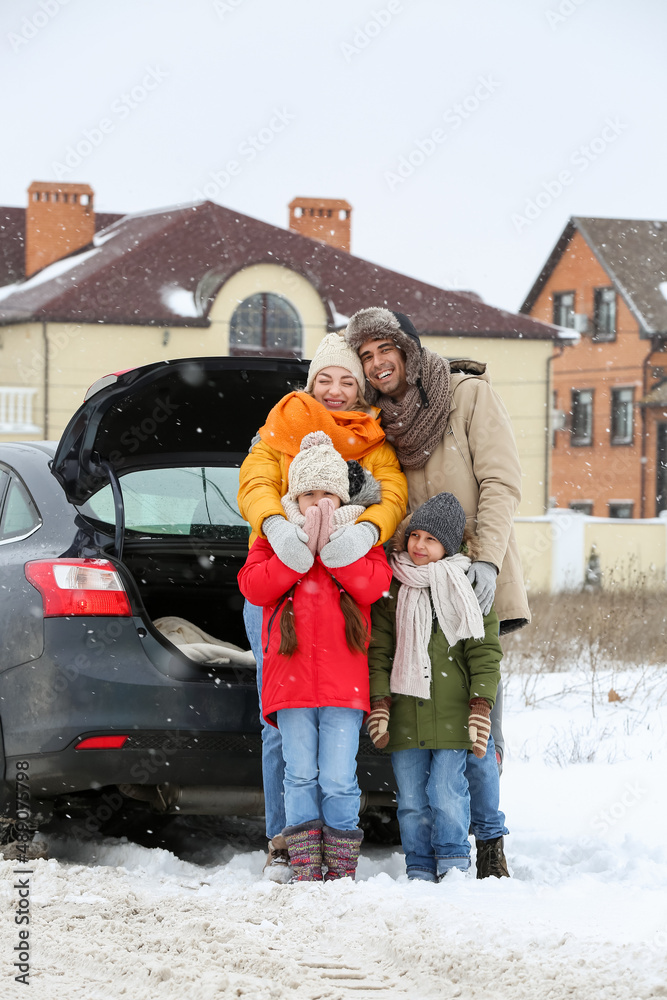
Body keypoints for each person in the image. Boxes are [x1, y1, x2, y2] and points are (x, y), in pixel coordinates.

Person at [345, 307, 530, 878]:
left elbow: (502, 480)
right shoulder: (376, 421)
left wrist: (488, 563)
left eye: (384, 351)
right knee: (429, 723)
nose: (377, 365)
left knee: (480, 724)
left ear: (407, 346)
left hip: (473, 581)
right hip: (411, 589)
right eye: (366, 356)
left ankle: (491, 843)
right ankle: (436, 842)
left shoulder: (467, 396)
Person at [237, 331, 407, 880]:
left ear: (360, 389)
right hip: (280, 586)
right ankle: (283, 840)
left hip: (341, 593)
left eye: (346, 381)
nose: (334, 391)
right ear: (310, 384)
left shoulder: (373, 440)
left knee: (336, 730)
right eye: (324, 380)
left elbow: (395, 494)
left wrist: (366, 533)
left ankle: (334, 842)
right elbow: (254, 482)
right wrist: (276, 525)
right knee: (279, 728)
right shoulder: (279, 428)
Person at [367, 492, 503, 881]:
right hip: (406, 715)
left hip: (453, 715)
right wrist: (380, 702)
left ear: (450, 546)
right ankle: (420, 868)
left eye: (430, 539)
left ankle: (454, 865)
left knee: (447, 795)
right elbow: (379, 650)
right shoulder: (392, 588)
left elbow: (485, 652)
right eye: (414, 536)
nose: (419, 545)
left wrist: (480, 705)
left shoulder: (467, 588)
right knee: (410, 802)